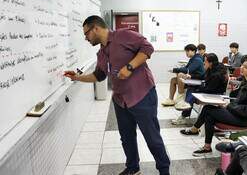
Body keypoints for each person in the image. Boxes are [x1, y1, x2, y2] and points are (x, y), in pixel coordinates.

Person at [64, 15, 170, 175]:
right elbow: (99, 76)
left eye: (86, 33)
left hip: (142, 96)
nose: (85, 38)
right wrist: (76, 77)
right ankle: (133, 168)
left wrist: (129, 66)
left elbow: (148, 48)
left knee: (152, 137)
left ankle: (164, 170)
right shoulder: (101, 53)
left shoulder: (124, 35)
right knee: (126, 137)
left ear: (96, 28)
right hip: (121, 101)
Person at [181, 58, 247, 157]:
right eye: (242, 65)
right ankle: (207, 147)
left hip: (243, 119)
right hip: (236, 113)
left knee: (208, 109)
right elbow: (239, 102)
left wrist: (229, 106)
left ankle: (195, 130)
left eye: (246, 67)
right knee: (209, 115)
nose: (241, 68)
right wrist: (228, 105)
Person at [172, 53, 227, 124]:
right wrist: (190, 77)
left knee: (192, 91)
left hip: (215, 93)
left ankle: (184, 112)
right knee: (191, 88)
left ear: (210, 63)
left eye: (205, 61)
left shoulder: (217, 74)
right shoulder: (211, 68)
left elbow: (210, 89)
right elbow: (202, 76)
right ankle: (184, 112)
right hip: (209, 88)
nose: (204, 63)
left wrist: (198, 88)